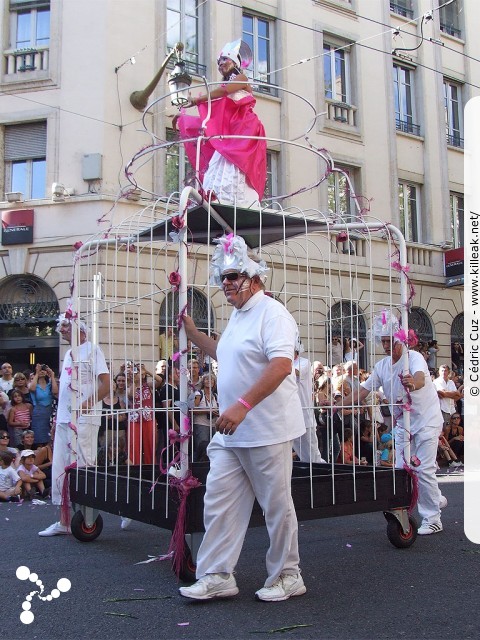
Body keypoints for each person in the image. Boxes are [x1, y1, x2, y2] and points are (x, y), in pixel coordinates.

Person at [179, 234, 306, 602]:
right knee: (218, 501)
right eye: (223, 277)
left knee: (277, 507)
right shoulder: (238, 316)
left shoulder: (273, 313)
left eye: (233, 276)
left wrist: (241, 405)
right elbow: (226, 352)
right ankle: (218, 574)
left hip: (266, 429)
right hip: (232, 432)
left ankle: (288, 574)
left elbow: (281, 365)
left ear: (254, 277)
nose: (227, 284)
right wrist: (195, 335)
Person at [342, 310, 446, 536]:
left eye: (390, 341)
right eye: (383, 341)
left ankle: (433, 517)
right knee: (400, 469)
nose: (387, 345)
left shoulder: (414, 358)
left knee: (424, 468)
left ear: (399, 340)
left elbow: (418, 377)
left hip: (426, 419)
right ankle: (433, 499)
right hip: (403, 423)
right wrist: (339, 404)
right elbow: (363, 390)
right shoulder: (381, 366)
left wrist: (412, 383)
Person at [38, 312, 110, 537]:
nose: (62, 330)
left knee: (84, 464)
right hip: (64, 420)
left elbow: (106, 384)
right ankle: (64, 520)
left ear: (80, 329)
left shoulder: (93, 349)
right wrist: (57, 420)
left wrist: (88, 404)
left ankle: (88, 516)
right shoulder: (69, 353)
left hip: (85, 420)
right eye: (62, 327)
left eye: (66, 327)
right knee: (60, 465)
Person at [176, 40, 267, 207]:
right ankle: (218, 199)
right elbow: (215, 113)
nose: (221, 64)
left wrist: (196, 100)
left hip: (244, 127)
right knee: (219, 162)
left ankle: (236, 200)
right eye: (219, 62)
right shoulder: (225, 87)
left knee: (234, 162)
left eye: (225, 60)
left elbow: (224, 92)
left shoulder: (241, 78)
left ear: (235, 62)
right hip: (231, 128)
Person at [292, 342, 324, 464]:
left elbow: (294, 372)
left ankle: (321, 476)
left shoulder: (304, 362)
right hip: (287, 416)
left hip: (304, 416)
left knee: (312, 455)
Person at [29, 363, 58, 446]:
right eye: (40, 370)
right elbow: (31, 388)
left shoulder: (49, 384)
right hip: (38, 412)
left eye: (43, 370)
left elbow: (55, 392)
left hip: (49, 412)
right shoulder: (35, 384)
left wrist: (52, 375)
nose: (42, 372)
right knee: (39, 436)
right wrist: (37, 373)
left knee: (50, 435)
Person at [192, 373, 219, 462]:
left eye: (211, 379)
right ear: (203, 382)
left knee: (213, 448)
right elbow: (193, 410)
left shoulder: (215, 396)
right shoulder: (198, 393)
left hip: (213, 425)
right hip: (201, 425)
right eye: (206, 379)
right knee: (202, 449)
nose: (209, 381)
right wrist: (208, 410)